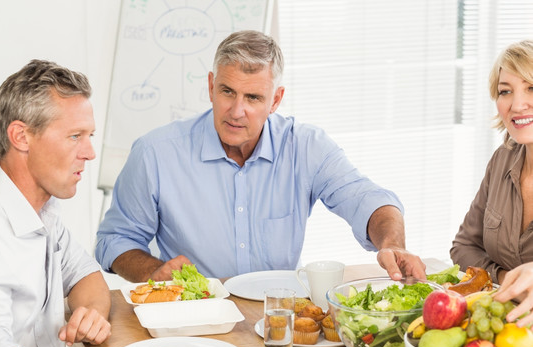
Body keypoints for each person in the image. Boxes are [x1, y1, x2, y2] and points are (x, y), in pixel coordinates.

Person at [95, 30, 426, 282]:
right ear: (211, 86)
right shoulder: (155, 153)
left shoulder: (306, 146)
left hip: (279, 317)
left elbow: (369, 199)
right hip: (193, 316)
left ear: (276, 100)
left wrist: (392, 243)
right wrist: (156, 272)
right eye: (227, 91)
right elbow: (114, 240)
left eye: (253, 97)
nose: (236, 111)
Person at [0, 60, 194, 347]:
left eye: (90, 136)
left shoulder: (43, 211)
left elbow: (85, 274)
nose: (89, 153)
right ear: (21, 136)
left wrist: (91, 313)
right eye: (75, 136)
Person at [450, 40, 533, 326]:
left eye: (531, 87)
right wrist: (502, 278)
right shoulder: (503, 159)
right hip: (501, 329)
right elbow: (463, 247)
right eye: (505, 91)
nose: (518, 104)